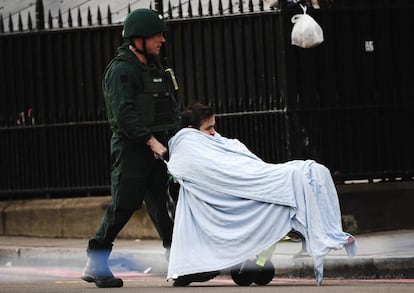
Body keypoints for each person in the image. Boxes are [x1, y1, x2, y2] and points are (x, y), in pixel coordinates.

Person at [166, 102, 357, 286]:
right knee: (297, 174)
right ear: (192, 129)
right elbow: (220, 172)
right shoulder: (189, 145)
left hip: (247, 179)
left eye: (214, 127)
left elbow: (241, 162)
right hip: (232, 189)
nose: (214, 132)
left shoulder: (216, 142)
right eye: (209, 128)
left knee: (309, 171)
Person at [81, 8, 179, 288]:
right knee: (123, 206)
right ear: (139, 39)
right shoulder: (121, 70)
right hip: (133, 151)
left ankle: (179, 261)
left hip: (158, 148)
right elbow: (122, 115)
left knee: (163, 205)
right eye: (157, 35)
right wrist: (151, 142)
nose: (162, 40)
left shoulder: (152, 68)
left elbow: (168, 107)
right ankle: (96, 262)